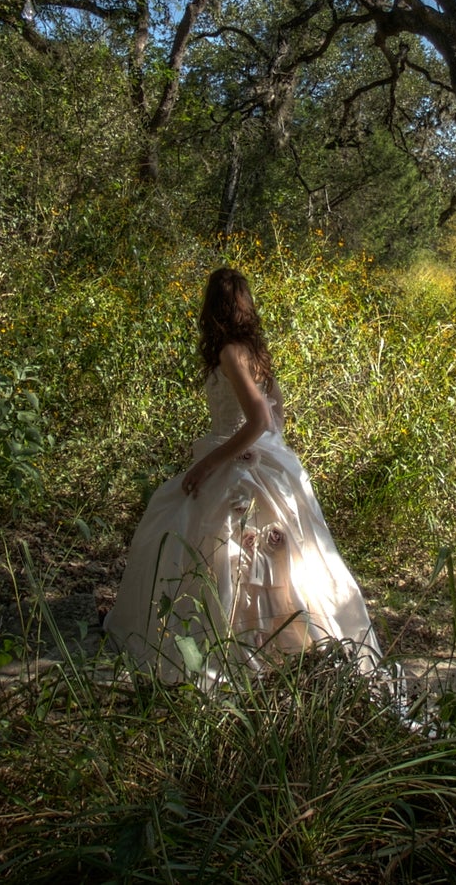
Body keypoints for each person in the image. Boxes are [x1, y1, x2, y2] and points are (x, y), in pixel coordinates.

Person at [105, 267, 381, 681]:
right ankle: (281, 648)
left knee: (224, 549)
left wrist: (210, 462)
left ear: (211, 308)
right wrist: (271, 454)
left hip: (236, 459)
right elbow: (278, 415)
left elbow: (256, 420)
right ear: (245, 306)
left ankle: (238, 650)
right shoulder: (255, 352)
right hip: (261, 457)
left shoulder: (231, 353)